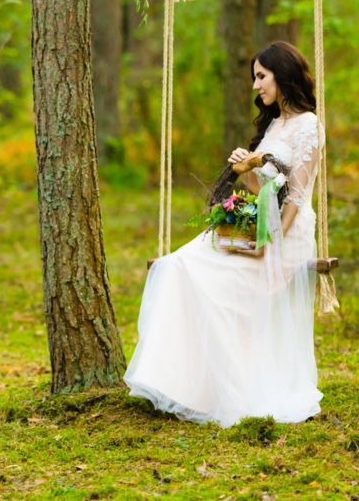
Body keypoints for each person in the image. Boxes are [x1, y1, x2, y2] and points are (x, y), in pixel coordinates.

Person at [124, 41, 324, 427]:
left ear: (282, 75)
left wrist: (269, 246)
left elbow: (295, 196)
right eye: (254, 78)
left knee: (217, 286)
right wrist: (243, 168)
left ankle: (233, 394)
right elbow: (259, 186)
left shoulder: (308, 125)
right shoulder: (273, 125)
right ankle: (186, 386)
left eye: (261, 77)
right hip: (259, 227)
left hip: (286, 235)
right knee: (177, 266)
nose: (256, 86)